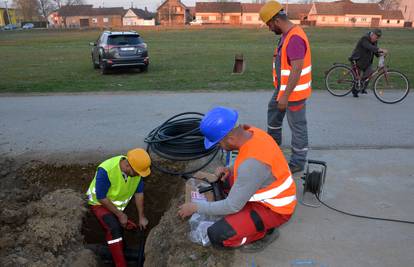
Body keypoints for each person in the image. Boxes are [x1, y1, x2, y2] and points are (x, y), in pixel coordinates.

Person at [178, 106, 296, 251]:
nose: (220, 147)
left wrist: (196, 207)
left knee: (217, 236)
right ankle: (248, 220)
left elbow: (232, 206)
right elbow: (245, 156)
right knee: (223, 180)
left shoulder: (252, 165)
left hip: (274, 209)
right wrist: (229, 168)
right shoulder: (253, 133)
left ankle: (264, 233)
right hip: (260, 187)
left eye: (219, 143)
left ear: (231, 138)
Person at [259, 1, 312, 174]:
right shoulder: (286, 35)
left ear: (276, 20)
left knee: (297, 125)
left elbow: (296, 69)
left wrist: (285, 96)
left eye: (268, 25)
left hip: (293, 93)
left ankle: (298, 161)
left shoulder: (294, 38)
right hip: (283, 88)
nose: (269, 29)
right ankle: (273, 145)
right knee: (273, 110)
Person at [86, 148, 151, 267]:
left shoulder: (136, 170)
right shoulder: (106, 170)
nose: (138, 175)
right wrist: (120, 215)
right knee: (114, 229)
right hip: (99, 204)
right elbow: (101, 197)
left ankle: (122, 249)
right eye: (137, 172)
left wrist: (141, 217)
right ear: (127, 165)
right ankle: (121, 264)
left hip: (114, 206)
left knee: (118, 227)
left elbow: (139, 193)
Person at [349, 29, 387, 97]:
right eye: (376, 37)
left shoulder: (375, 41)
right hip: (357, 60)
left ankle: (362, 88)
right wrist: (379, 49)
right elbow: (369, 47)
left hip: (367, 62)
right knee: (357, 78)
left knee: (369, 74)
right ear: (372, 34)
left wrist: (380, 54)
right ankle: (355, 91)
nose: (376, 39)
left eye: (378, 38)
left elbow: (374, 50)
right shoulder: (364, 38)